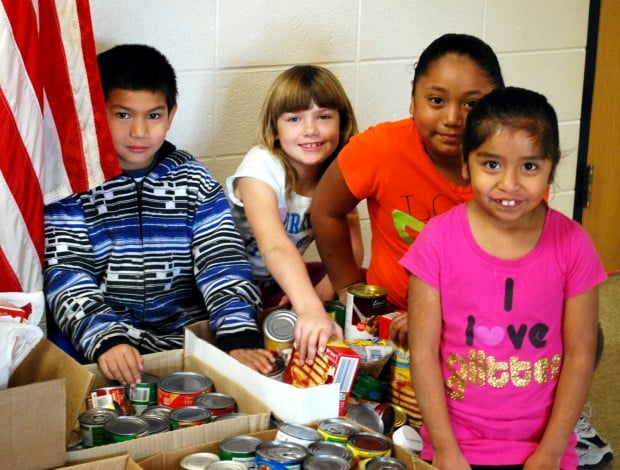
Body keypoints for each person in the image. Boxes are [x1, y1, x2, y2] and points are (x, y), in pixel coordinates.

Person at [401, 86, 607, 468]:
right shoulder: (437, 241)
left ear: (551, 167)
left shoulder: (573, 245)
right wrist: (446, 449)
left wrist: (549, 451)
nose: (509, 184)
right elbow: (424, 352)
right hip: (457, 446)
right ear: (466, 163)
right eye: (491, 164)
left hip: (544, 447)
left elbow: (581, 355)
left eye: (529, 166)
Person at [44, 44, 273, 387]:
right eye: (123, 115)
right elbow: (67, 274)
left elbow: (222, 263)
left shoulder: (193, 180)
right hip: (104, 344)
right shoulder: (72, 183)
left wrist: (237, 336)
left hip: (187, 339)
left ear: (171, 114)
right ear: (95, 111)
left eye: (153, 115)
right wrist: (106, 337)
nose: (139, 132)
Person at [310, 33, 504, 346]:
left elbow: (514, 268)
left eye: (471, 104)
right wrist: (346, 285)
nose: (453, 118)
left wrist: (435, 314)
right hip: (383, 308)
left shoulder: (512, 166)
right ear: (413, 99)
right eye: (437, 100)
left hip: (475, 320)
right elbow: (325, 208)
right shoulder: (381, 148)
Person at [226, 65, 363, 364]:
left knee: (356, 283)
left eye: (324, 117)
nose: (310, 130)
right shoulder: (260, 168)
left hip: (274, 283)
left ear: (342, 124)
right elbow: (275, 245)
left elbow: (349, 250)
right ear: (275, 129)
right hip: (225, 284)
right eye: (294, 119)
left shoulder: (337, 170)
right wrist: (309, 307)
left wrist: (322, 294)